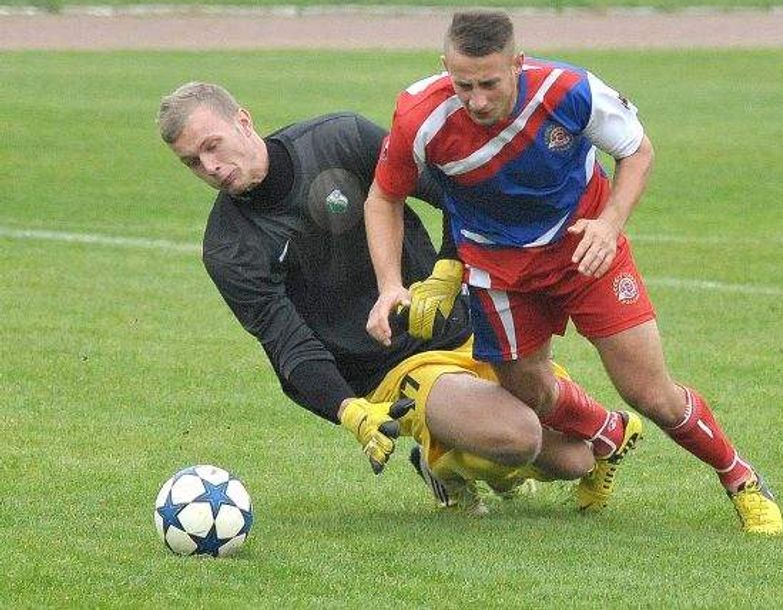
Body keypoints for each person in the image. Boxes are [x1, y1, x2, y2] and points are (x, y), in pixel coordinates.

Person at [364, 10, 783, 535]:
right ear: (444, 66)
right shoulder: (418, 116)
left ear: (518, 63)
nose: (476, 100)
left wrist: (609, 225)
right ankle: (607, 436)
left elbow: (637, 150)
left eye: (490, 83)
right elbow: (384, 196)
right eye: (463, 83)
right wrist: (389, 285)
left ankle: (740, 479)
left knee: (649, 392)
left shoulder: (568, 91)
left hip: (587, 254)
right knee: (530, 395)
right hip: (499, 275)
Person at [156, 81, 594, 514]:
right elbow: (288, 346)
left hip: (456, 325)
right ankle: (446, 465)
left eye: (212, 146)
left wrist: (446, 270)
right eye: (193, 162)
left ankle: (442, 455)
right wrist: (350, 410)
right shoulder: (229, 248)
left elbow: (457, 193)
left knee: (577, 458)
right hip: (385, 369)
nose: (209, 166)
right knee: (518, 436)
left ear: (243, 121)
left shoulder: (340, 139)